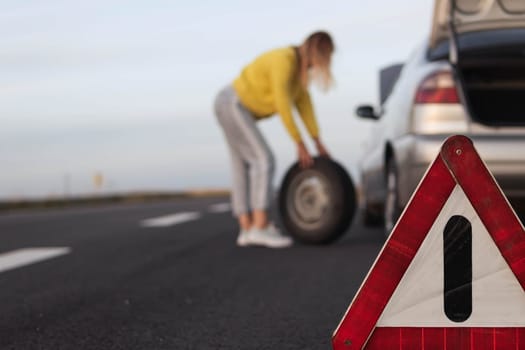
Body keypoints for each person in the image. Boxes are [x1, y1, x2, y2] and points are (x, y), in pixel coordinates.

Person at [214, 31, 334, 248]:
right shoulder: (284, 60)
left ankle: (247, 229)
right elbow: (282, 103)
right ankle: (260, 226)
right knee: (264, 159)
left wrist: (317, 141)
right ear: (317, 53)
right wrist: (299, 143)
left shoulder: (300, 77)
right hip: (232, 103)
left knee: (241, 163)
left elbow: (305, 107)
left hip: (232, 105)